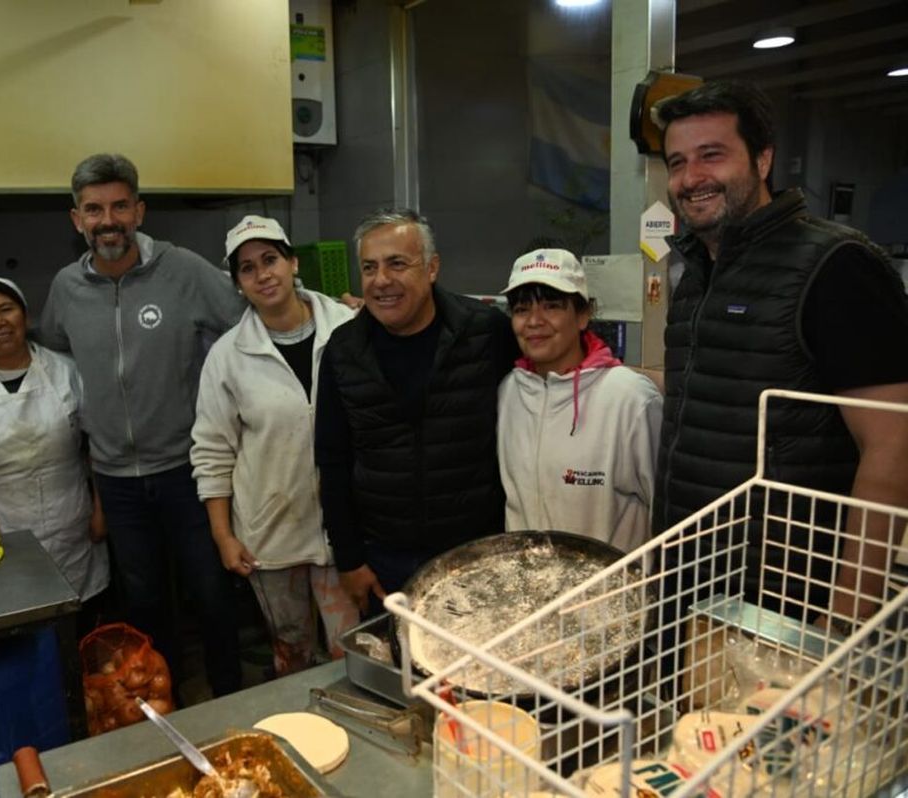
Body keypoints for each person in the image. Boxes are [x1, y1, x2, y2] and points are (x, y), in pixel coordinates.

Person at [654, 80, 908, 625]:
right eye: (677, 162)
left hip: (786, 603)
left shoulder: (835, 266)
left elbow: (894, 446)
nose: (691, 178)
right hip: (691, 588)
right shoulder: (696, 275)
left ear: (763, 159)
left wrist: (842, 623)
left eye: (712, 155)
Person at [38, 153, 247, 698]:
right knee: (145, 600)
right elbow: (55, 357)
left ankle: (230, 697)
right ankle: (163, 701)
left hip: (187, 468)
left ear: (139, 209)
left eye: (119, 206)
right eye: (93, 210)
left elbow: (246, 323)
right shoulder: (65, 289)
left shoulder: (182, 270)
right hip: (116, 480)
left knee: (210, 590)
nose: (108, 220)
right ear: (76, 219)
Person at [314, 208, 520, 612]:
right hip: (384, 559)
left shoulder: (484, 332)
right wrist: (349, 558)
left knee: (473, 670)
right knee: (398, 669)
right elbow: (332, 462)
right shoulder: (343, 350)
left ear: (431, 268)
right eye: (369, 267)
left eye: (397, 264)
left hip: (476, 554)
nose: (381, 281)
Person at [190, 216, 360, 677]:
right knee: (292, 654)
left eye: (270, 260)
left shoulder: (348, 329)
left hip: (344, 530)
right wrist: (224, 536)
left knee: (356, 652)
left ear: (292, 262)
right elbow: (212, 451)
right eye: (247, 268)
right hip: (270, 534)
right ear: (238, 283)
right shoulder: (228, 356)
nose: (262, 274)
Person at [0, 277, 110, 633]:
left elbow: (99, 444)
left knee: (81, 624)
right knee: (23, 627)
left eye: (6, 309)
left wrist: (102, 510)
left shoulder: (67, 369)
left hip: (73, 521)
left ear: (25, 315)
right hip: (3, 532)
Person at [495, 248, 662, 553]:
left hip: (612, 594)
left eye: (552, 306)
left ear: (583, 315)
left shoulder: (631, 400)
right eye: (521, 310)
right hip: (531, 593)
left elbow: (666, 516)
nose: (534, 321)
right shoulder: (509, 392)